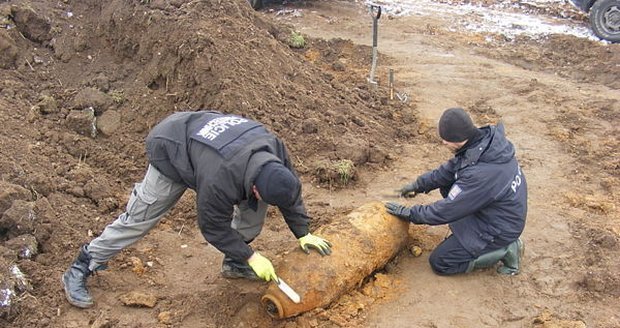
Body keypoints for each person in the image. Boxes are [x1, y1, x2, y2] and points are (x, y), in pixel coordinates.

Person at [62, 110, 332, 308]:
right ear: (255, 187)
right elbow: (212, 227)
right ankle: (83, 265)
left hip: (208, 153)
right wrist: (252, 256)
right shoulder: (220, 180)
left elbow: (289, 194)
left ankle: (234, 262)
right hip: (172, 148)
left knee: (253, 213)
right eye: (261, 195)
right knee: (139, 218)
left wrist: (303, 232)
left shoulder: (275, 150)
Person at [385, 107, 527, 276]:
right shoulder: (482, 144)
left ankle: (508, 250)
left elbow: (447, 210)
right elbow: (450, 170)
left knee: (440, 262)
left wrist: (411, 214)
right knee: (448, 184)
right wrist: (418, 185)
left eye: (445, 140)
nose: (443, 143)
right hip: (493, 210)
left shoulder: (482, 174)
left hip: (499, 228)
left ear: (458, 139)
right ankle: (472, 235)